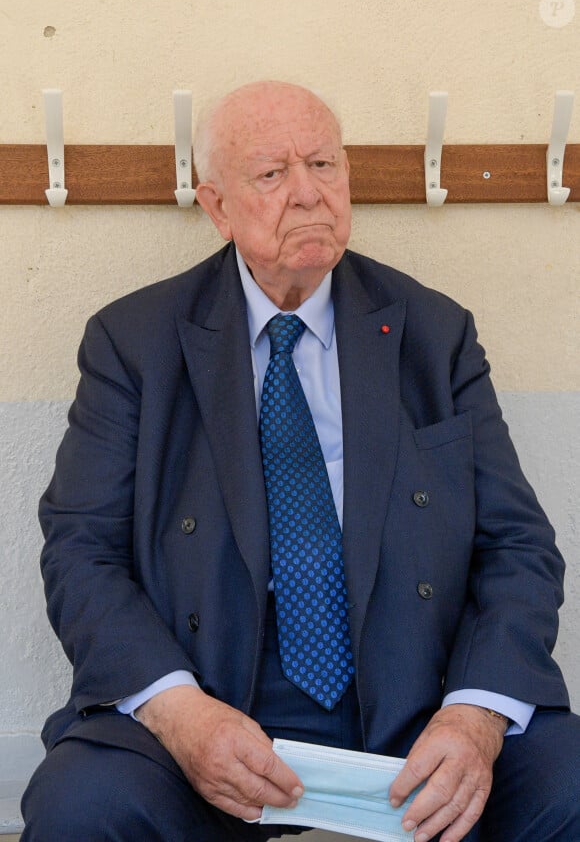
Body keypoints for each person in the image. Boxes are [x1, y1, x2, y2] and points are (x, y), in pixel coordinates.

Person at [22, 80, 579, 842]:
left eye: (324, 165)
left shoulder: (433, 335)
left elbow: (519, 547)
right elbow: (81, 551)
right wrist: (181, 714)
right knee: (81, 805)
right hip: (212, 705)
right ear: (217, 206)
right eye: (273, 174)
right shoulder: (135, 343)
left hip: (419, 706)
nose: (309, 195)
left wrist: (475, 715)